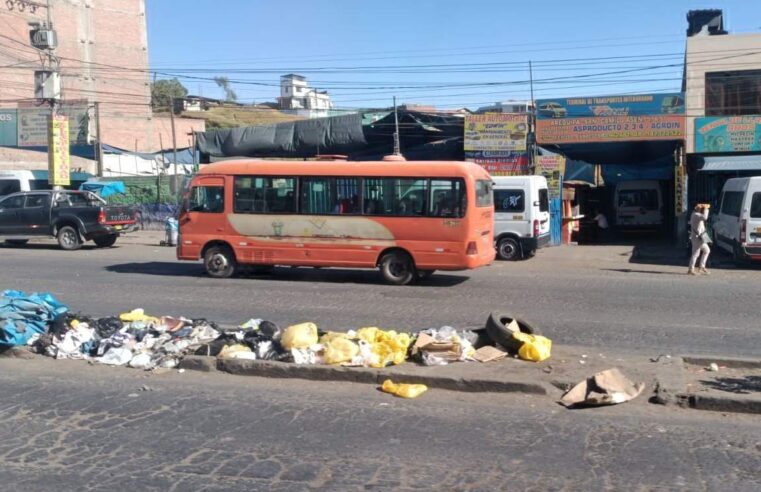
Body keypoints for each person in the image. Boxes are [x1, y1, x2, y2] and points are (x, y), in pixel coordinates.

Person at [688, 203, 711, 275]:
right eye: (701, 209)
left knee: (707, 250)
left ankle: (701, 267)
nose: (702, 210)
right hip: (697, 238)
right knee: (695, 254)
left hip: (701, 237)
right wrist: (706, 209)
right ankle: (691, 269)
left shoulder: (696, 214)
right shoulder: (696, 215)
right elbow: (705, 218)